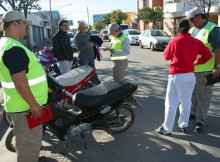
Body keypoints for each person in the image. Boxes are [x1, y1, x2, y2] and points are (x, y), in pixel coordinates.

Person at [0, 10, 48, 161]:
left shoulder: (5, 44)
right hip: (26, 109)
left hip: (20, 105)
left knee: (26, 145)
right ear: (15, 23)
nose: (26, 27)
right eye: (24, 24)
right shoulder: (13, 48)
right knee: (28, 148)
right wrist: (33, 105)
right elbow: (19, 80)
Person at [156, 19, 212, 136]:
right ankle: (184, 124)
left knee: (171, 103)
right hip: (190, 76)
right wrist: (197, 62)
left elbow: (166, 56)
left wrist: (170, 46)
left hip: (176, 76)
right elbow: (208, 54)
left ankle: (167, 128)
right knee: (186, 102)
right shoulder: (195, 41)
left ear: (178, 29)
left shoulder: (174, 41)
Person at [185, 7, 220, 132]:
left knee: (204, 96)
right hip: (193, 68)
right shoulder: (193, 29)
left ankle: (200, 120)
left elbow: (218, 49)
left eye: (192, 19)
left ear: (199, 16)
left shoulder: (213, 29)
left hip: (208, 69)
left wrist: (217, 67)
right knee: (193, 93)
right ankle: (193, 113)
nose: (191, 22)